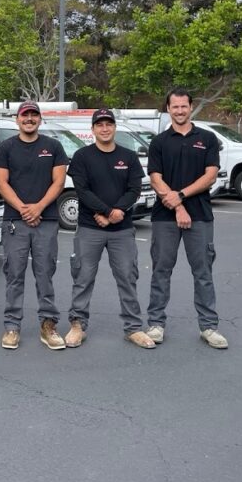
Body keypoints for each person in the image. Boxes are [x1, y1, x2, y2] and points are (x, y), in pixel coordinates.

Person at [145, 89, 228, 349]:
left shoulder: (207, 138)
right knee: (161, 271)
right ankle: (156, 324)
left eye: (184, 106)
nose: (179, 111)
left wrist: (179, 197)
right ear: (167, 109)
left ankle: (209, 327)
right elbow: (155, 178)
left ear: (191, 107)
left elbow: (210, 176)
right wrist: (176, 205)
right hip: (163, 218)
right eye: (174, 107)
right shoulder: (159, 142)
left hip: (200, 216)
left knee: (203, 272)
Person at [65, 108, 155, 349]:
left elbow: (134, 190)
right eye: (100, 124)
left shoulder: (128, 156)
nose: (105, 128)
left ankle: (133, 328)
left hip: (122, 229)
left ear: (115, 127)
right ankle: (77, 325)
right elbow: (82, 191)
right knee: (83, 277)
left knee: (127, 277)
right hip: (89, 227)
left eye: (109, 124)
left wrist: (117, 213)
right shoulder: (82, 156)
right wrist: (106, 212)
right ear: (93, 129)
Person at [0, 101, 69, 350]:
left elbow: (58, 182)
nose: (30, 119)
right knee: (14, 275)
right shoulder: (5, 148)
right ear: (17, 119)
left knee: (45, 274)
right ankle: (12, 326)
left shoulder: (53, 147)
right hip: (15, 221)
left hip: (46, 221)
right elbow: (2, 183)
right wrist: (25, 209)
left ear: (40, 119)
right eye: (26, 115)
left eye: (34, 115)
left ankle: (48, 325)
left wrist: (38, 207)